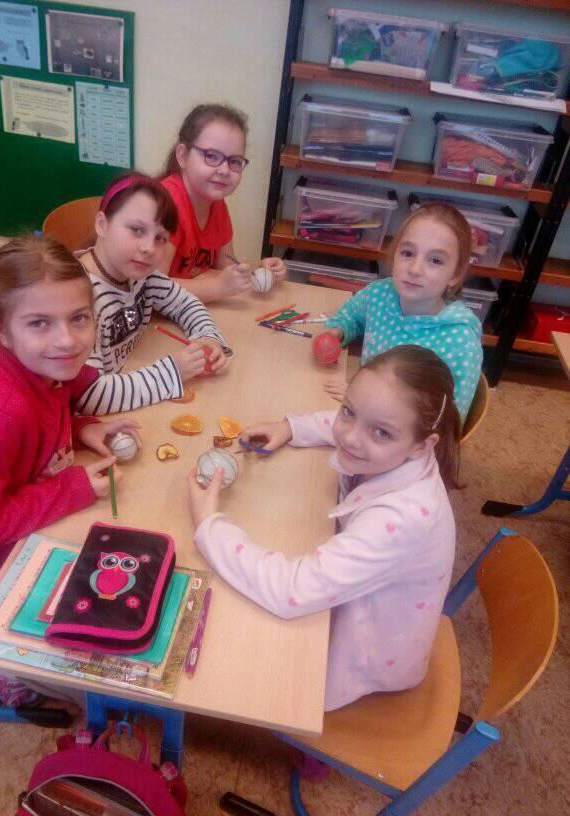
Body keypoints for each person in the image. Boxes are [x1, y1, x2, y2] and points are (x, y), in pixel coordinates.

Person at [188, 345, 458, 712]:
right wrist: (291, 427)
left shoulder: (402, 518)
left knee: (232, 658)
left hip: (368, 657)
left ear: (422, 445)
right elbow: (353, 424)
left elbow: (291, 591)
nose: (349, 437)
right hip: (364, 603)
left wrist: (209, 525)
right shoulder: (397, 448)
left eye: (381, 432)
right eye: (349, 410)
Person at [0, 235, 140, 624]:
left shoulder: (43, 368)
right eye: (39, 323)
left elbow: (38, 427)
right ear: (2, 331)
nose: (67, 340)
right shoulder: (0, 414)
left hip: (35, 533)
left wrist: (81, 430)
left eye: (79, 318)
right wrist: (70, 490)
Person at [75, 172, 231, 415]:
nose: (149, 248)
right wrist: (172, 372)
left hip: (127, 393)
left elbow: (185, 304)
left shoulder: (142, 276)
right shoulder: (76, 301)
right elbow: (89, 395)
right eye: (137, 230)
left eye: (160, 238)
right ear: (102, 225)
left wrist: (207, 336)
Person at [321, 202, 482, 422]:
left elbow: (447, 422)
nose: (415, 269)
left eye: (435, 260)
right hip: (361, 411)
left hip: (405, 436)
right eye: (407, 253)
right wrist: (337, 332)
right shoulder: (380, 294)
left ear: (455, 274)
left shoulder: (460, 342)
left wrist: (364, 402)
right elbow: (352, 315)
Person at [160, 103, 286, 303]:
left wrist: (259, 268)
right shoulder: (164, 205)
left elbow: (225, 267)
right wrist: (217, 288)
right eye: (211, 156)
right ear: (183, 156)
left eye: (234, 161)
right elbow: (153, 288)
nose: (225, 170)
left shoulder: (216, 204)